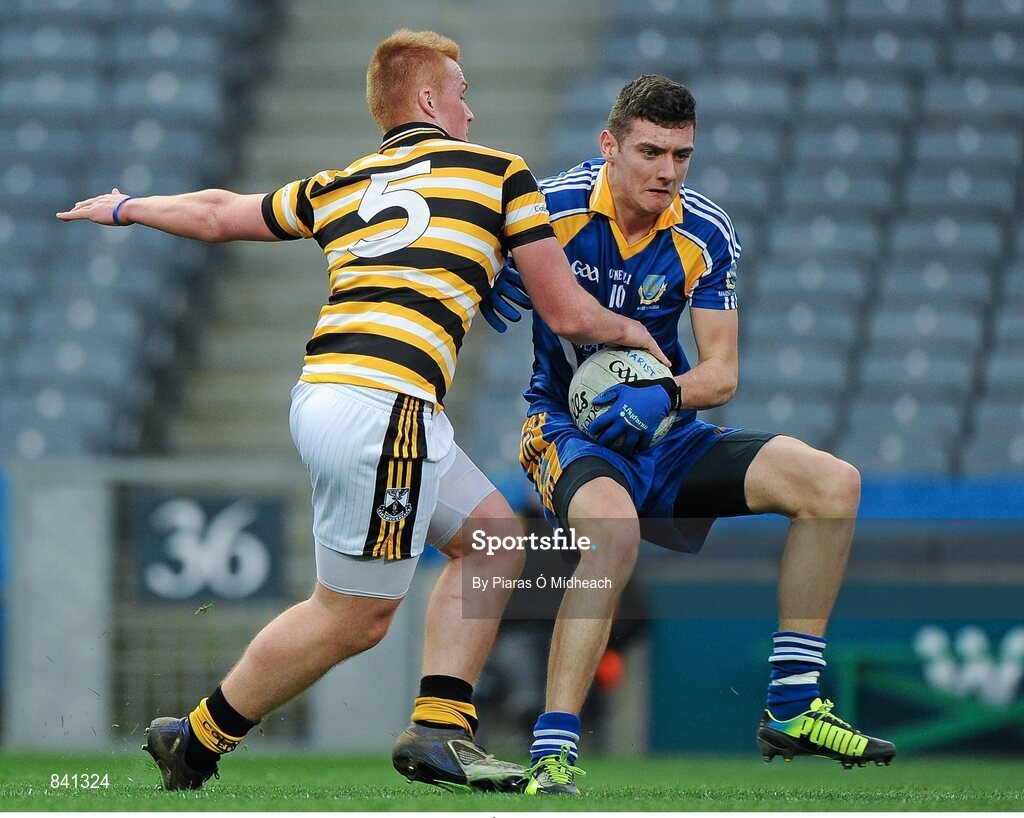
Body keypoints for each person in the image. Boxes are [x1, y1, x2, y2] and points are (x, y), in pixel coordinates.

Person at [57, 30, 666, 793]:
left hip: (339, 394)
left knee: (494, 540)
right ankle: (196, 738)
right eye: (463, 92)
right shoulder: (499, 173)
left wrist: (126, 207)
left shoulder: (344, 182)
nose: (471, 111)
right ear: (427, 99)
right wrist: (633, 331)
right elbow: (568, 312)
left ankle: (442, 728)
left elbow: (218, 212)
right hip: (387, 401)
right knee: (354, 616)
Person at [501, 75, 896, 794]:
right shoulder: (548, 210)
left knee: (833, 485)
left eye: (681, 155)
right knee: (613, 534)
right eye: (651, 151)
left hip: (669, 430)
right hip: (564, 426)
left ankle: (794, 705)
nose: (667, 171)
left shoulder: (704, 229)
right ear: (609, 145)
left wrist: (663, 395)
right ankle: (553, 752)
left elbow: (723, 372)